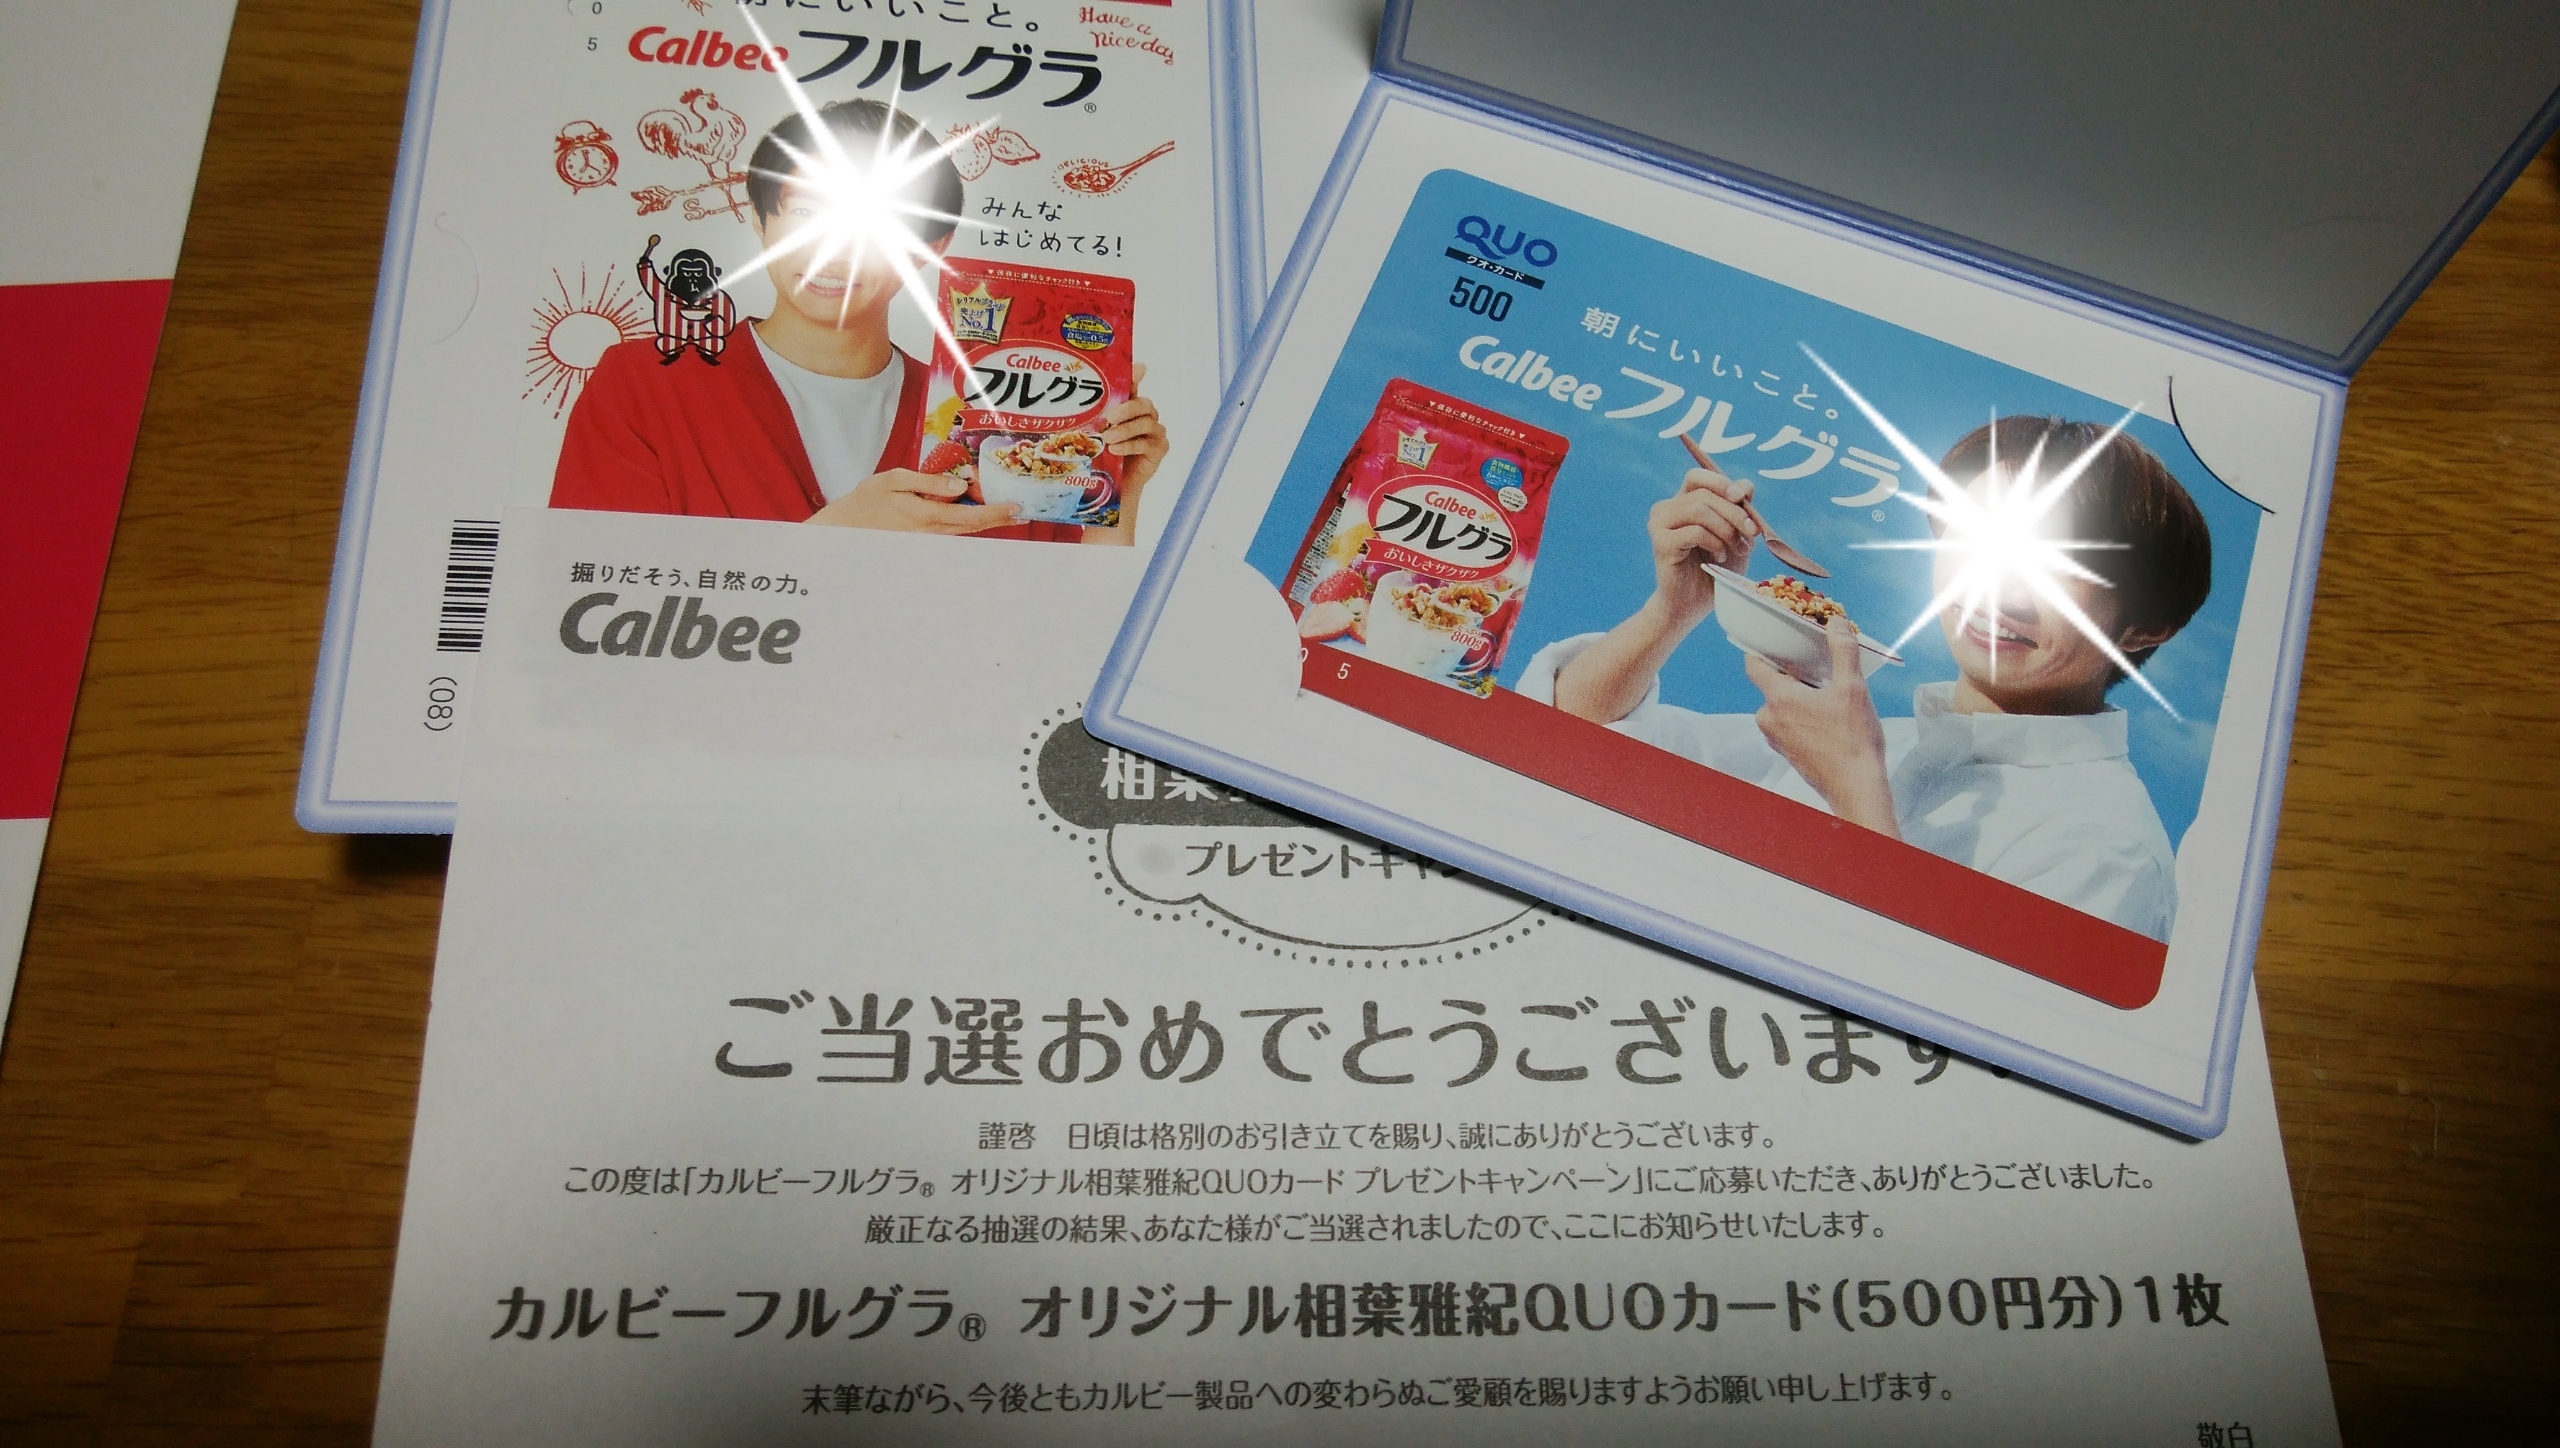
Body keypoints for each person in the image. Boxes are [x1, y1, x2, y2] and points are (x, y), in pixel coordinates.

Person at [1524, 417, 2212, 940]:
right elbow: (1570, 743)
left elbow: (1959, 1051)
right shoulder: (1877, 743)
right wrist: (1672, 612)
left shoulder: (2107, 847)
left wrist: (1855, 791)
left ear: (2147, 626)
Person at [550, 98, 1168, 545]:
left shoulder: (988, 422)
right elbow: (591, 608)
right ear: (760, 220)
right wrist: (835, 541)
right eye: (807, 212)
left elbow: (1066, 630)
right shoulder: (644, 384)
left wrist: (1120, 492)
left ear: (931, 246)